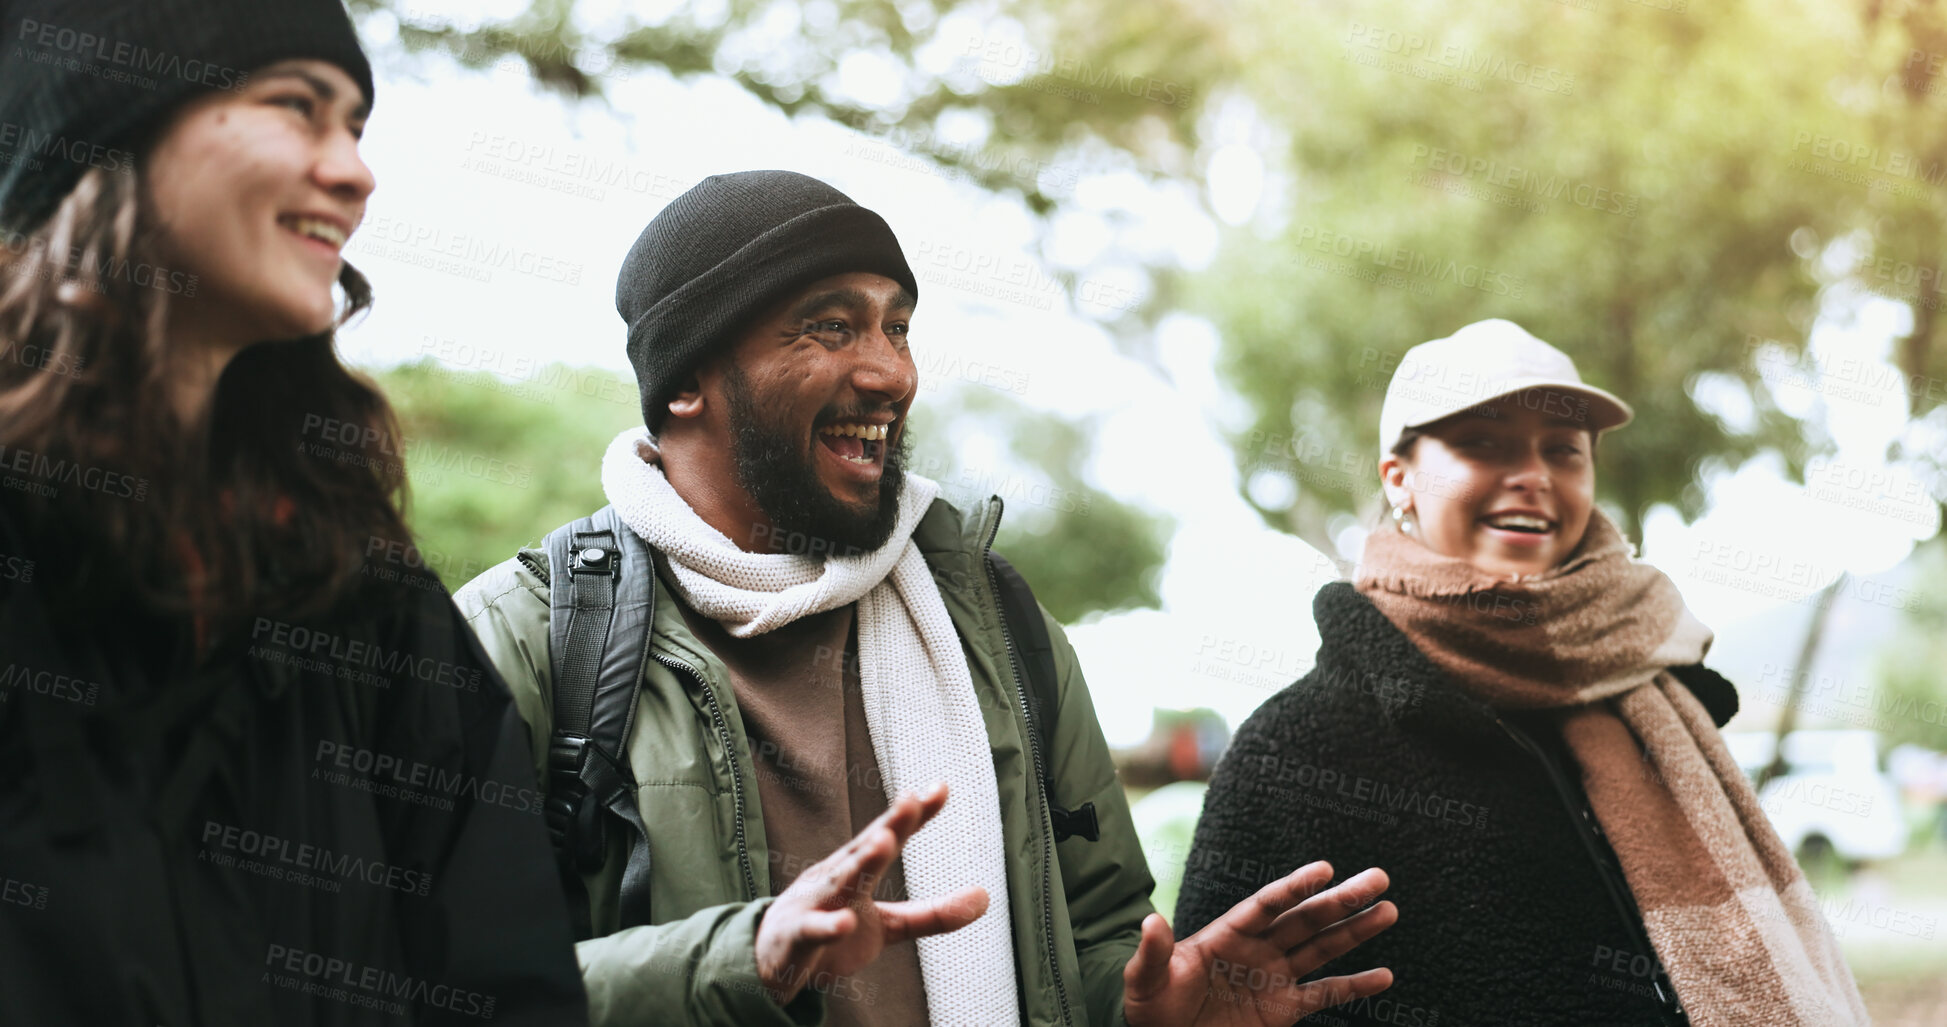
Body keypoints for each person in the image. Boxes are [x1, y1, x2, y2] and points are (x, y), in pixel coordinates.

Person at [454, 169, 1400, 1027]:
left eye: (896, 327)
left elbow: (1095, 934)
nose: (891, 373)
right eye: (830, 327)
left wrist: (1143, 1010)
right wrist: (734, 963)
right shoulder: (528, 636)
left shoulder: (996, 623)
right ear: (687, 381)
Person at [0, 2, 588, 1023]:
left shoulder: (369, 600)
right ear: (104, 137)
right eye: (297, 108)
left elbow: (505, 981)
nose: (355, 174)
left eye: (355, 127)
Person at [1174, 319, 1871, 1026]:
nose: (1534, 476)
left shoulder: (1657, 688)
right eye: (1481, 442)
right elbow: (1222, 1000)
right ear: (1399, 479)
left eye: (1562, 451)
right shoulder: (1295, 746)